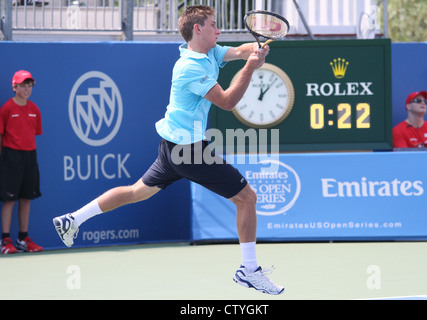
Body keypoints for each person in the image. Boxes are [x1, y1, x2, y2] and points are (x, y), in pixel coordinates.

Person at [53, 5, 284, 295]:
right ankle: (249, 270)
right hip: (188, 151)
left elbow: (240, 50)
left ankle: (73, 219)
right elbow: (226, 101)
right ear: (197, 29)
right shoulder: (190, 67)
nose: (219, 30)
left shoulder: (210, 52)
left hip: (171, 146)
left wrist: (256, 49)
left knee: (136, 191)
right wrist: (251, 66)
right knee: (247, 198)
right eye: (213, 24)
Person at [0, 70, 43, 254]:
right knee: (10, 200)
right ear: (14, 87)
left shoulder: (35, 109)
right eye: (23, 85)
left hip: (30, 157)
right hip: (11, 157)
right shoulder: (6, 109)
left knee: (27, 198)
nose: (27, 88)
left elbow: (33, 134)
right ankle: (5, 240)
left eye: (29, 85)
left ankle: (22, 238)